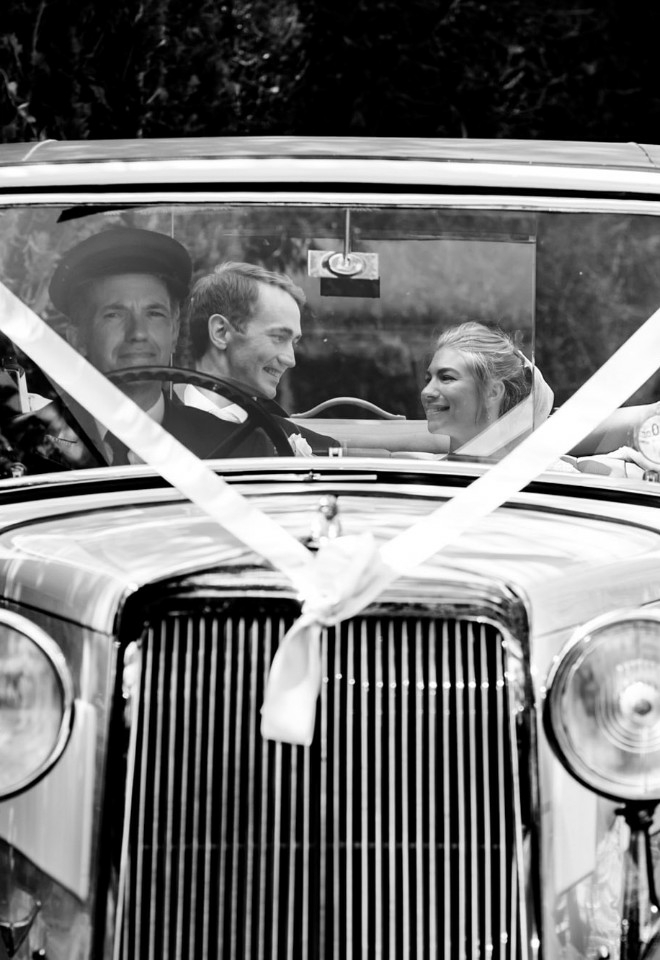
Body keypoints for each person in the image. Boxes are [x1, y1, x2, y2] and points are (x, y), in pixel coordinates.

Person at [34, 228, 279, 468]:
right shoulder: (27, 444)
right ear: (77, 338)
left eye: (154, 313)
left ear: (174, 331)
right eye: (114, 314)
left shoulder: (238, 450)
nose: (138, 332)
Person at [183, 261, 338, 455]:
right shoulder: (148, 429)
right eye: (278, 337)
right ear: (221, 332)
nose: (290, 360)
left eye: (294, 342)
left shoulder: (321, 450)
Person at [421, 321, 555, 458]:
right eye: (428, 379)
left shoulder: (551, 477)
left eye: (446, 377)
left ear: (492, 392)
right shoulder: (415, 470)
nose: (426, 392)